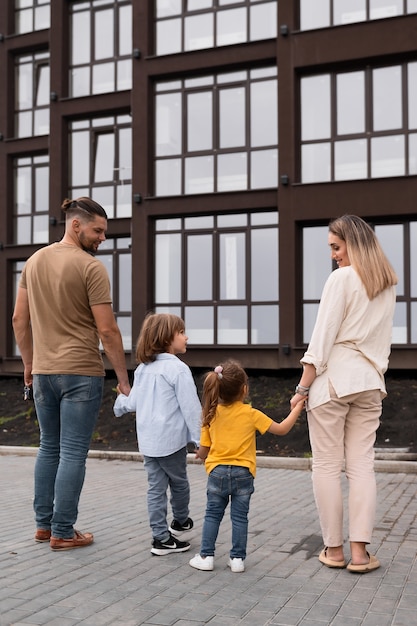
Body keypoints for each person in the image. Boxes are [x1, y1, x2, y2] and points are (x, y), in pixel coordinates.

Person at [12, 196, 131, 551]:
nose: (102, 238)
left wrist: (28, 365)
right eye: (98, 230)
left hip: (45, 373)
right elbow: (108, 331)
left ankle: (43, 527)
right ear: (75, 225)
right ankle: (64, 531)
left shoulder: (33, 262)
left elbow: (19, 319)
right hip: (81, 372)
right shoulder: (90, 267)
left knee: (48, 447)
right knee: (73, 452)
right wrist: (124, 379)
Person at [290, 214, 397, 574]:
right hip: (369, 381)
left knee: (326, 465)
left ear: (353, 242)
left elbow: (322, 340)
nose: (334, 255)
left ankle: (334, 551)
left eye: (336, 247)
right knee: (362, 466)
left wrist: (302, 388)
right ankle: (361, 554)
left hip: (334, 381)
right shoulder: (387, 285)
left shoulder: (341, 279)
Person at [189, 359, 305, 573]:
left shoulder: (210, 414)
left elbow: (204, 450)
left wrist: (200, 455)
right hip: (244, 473)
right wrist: (297, 408)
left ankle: (206, 556)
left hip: (217, 472)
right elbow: (281, 429)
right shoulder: (251, 414)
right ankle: (237, 560)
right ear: (244, 390)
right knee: (240, 517)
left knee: (213, 515)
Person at [113, 312, 201, 555]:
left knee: (155, 488)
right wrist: (202, 440)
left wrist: (120, 402)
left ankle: (160, 537)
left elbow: (132, 403)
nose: (186, 337)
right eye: (181, 332)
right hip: (171, 441)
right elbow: (191, 407)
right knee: (180, 483)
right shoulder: (178, 369)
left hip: (149, 443)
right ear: (166, 338)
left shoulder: (143, 369)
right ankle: (181, 520)